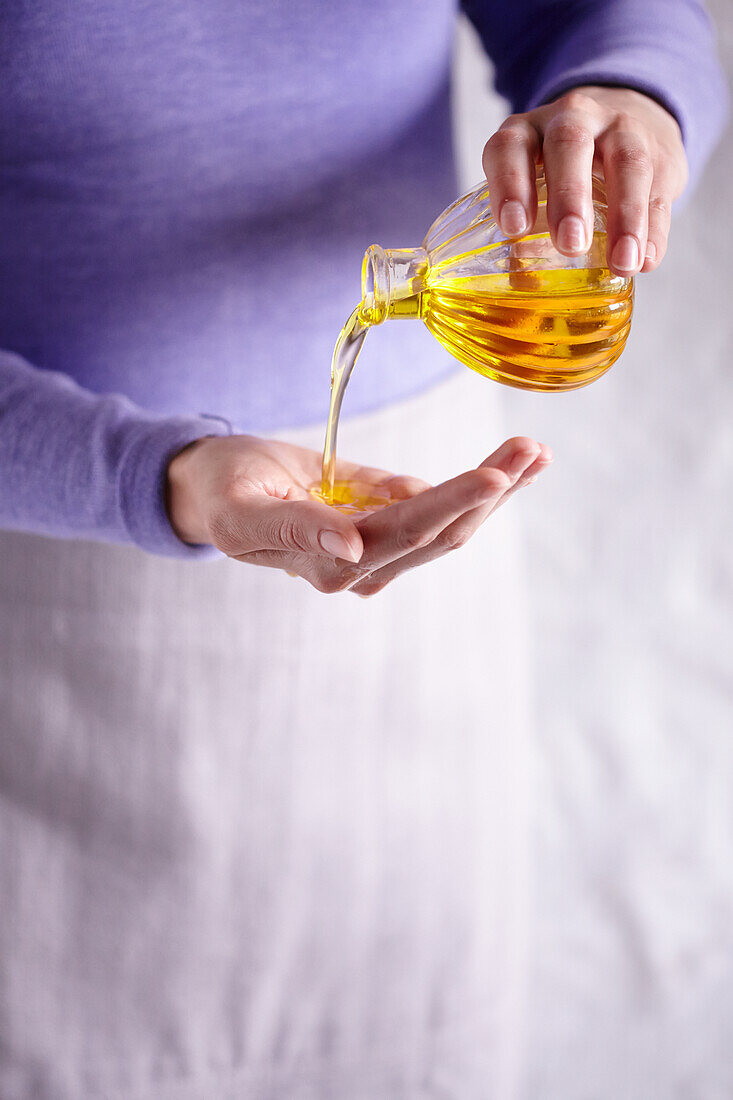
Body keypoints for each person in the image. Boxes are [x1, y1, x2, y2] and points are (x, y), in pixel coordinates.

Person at [0, 2, 726, 1098]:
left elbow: (601, 12)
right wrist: (158, 474)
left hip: (408, 576)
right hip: (49, 548)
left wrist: (633, 96)